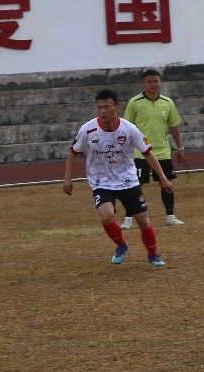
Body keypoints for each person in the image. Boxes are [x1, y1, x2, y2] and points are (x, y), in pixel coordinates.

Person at [62, 89, 172, 267]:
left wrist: (163, 178)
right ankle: (121, 245)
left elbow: (148, 153)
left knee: (143, 221)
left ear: (117, 108)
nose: (103, 111)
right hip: (101, 181)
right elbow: (73, 152)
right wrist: (67, 179)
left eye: (107, 107)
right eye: (99, 108)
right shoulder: (88, 129)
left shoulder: (129, 129)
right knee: (107, 217)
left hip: (128, 180)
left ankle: (153, 255)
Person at [121, 68, 186, 229]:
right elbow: (126, 127)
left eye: (156, 81)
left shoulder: (167, 102)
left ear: (160, 82)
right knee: (135, 185)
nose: (153, 84)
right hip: (140, 152)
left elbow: (174, 126)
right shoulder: (134, 102)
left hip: (162, 151)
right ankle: (128, 218)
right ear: (144, 84)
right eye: (149, 82)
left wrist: (179, 147)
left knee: (166, 182)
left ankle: (170, 216)